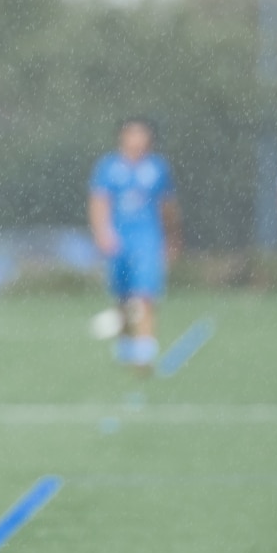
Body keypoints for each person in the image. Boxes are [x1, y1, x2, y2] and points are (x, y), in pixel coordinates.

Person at [88, 116, 182, 369]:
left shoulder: (157, 168)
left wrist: (172, 237)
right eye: (132, 134)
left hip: (147, 239)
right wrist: (102, 233)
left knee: (145, 295)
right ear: (122, 137)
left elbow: (167, 206)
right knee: (123, 297)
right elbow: (99, 201)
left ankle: (144, 352)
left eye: (142, 135)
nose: (137, 140)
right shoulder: (108, 167)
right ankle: (126, 347)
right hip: (118, 240)